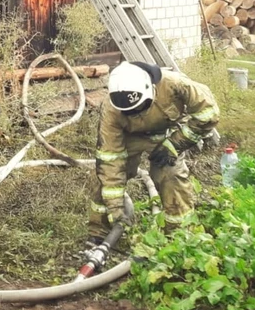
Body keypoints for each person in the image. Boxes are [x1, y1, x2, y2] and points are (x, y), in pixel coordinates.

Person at [87, 61, 219, 246]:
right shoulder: (111, 109)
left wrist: (175, 144)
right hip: (128, 137)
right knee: (102, 178)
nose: (135, 114)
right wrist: (115, 208)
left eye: (138, 108)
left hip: (166, 134)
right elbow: (110, 158)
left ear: (151, 90)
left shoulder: (175, 84)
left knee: (171, 176)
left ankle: (180, 236)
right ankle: (100, 234)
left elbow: (208, 114)